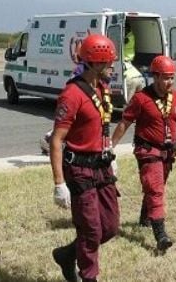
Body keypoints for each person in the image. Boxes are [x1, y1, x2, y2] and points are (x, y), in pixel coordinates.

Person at [111, 55, 176, 252]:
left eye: (172, 77)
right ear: (155, 77)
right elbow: (124, 123)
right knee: (155, 190)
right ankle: (160, 235)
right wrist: (111, 146)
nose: (169, 81)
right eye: (165, 77)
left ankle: (145, 218)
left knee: (156, 186)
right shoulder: (141, 99)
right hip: (148, 150)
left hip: (168, 152)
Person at [49, 34, 119, 282]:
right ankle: (89, 277)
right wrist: (59, 184)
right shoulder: (72, 94)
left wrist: (110, 152)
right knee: (91, 231)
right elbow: (56, 140)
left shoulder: (102, 88)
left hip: (102, 167)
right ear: (96, 63)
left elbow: (103, 125)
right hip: (79, 169)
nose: (113, 67)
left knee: (109, 227)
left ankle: (67, 255)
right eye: (109, 62)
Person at [123, 21, 146, 97]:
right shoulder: (130, 35)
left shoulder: (128, 38)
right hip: (128, 62)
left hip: (126, 60)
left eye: (124, 29)